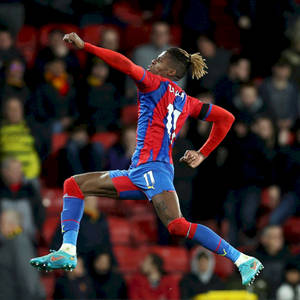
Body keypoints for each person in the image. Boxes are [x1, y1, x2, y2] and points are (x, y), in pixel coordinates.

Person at [30, 32, 263, 286]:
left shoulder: (154, 83)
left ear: (172, 71)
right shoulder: (188, 102)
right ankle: (68, 250)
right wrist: (203, 153)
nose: (153, 61)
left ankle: (241, 258)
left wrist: (86, 46)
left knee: (176, 225)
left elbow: (126, 65)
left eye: (160, 59)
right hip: (139, 173)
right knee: (73, 185)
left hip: (154, 170)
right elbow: (226, 118)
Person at [0, 210, 45, 300]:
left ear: (11, 225)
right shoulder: (10, 242)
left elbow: (29, 280)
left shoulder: (20, 242)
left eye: (1, 223)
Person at [0, 157, 45, 240]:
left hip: (26, 236)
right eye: (14, 170)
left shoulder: (30, 190)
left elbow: (39, 214)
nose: (19, 172)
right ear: (5, 172)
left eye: (19, 169)